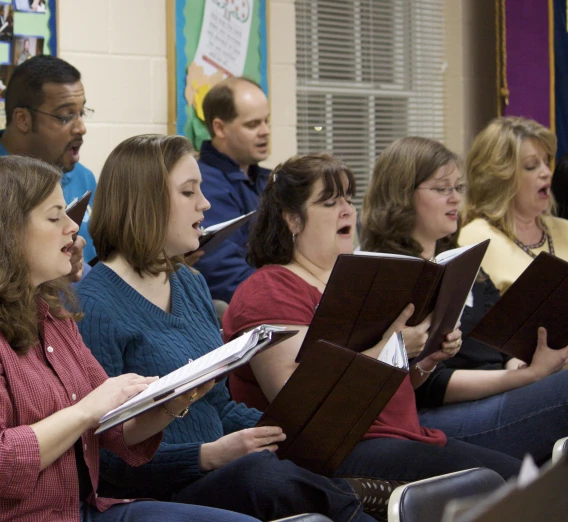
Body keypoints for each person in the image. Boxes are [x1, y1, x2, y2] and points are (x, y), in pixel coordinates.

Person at [0, 155, 251, 522]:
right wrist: (85, 411)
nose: (73, 227)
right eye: (55, 217)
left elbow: (115, 427)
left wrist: (171, 400)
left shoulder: (49, 314)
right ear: (5, 232)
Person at [77, 135, 375, 522]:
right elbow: (104, 459)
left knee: (308, 453)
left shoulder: (188, 282)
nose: (205, 204)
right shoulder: (93, 305)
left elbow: (218, 405)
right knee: (261, 476)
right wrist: (207, 456)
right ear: (145, 201)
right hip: (159, 490)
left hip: (221, 467)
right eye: (189, 192)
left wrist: (285, 432)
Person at [221, 153, 521, 488]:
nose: (348, 210)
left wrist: (427, 358)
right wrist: (392, 347)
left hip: (401, 435)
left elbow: (393, 388)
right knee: (502, 486)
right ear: (292, 219)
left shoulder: (358, 277)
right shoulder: (270, 289)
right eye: (330, 202)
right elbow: (298, 399)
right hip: (335, 452)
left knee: (523, 479)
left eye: (348, 198)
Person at [361, 136, 568, 464]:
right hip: (435, 416)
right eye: (442, 189)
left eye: (458, 187)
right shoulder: (389, 275)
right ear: (401, 195)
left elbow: (496, 336)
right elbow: (424, 385)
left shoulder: (456, 259)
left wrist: (517, 362)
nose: (456, 198)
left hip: (498, 389)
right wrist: (524, 377)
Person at [0, 55, 98, 264]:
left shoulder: (83, 177)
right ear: (22, 119)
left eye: (81, 112)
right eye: (65, 116)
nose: (81, 127)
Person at [459, 116, 568, 293]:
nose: (547, 173)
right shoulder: (474, 240)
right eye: (532, 166)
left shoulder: (565, 230)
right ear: (500, 178)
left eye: (546, 163)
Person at [194, 77, 271, 304]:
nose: (265, 131)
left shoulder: (268, 180)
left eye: (267, 121)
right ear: (219, 128)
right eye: (252, 124)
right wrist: (286, 293)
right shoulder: (201, 184)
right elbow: (222, 271)